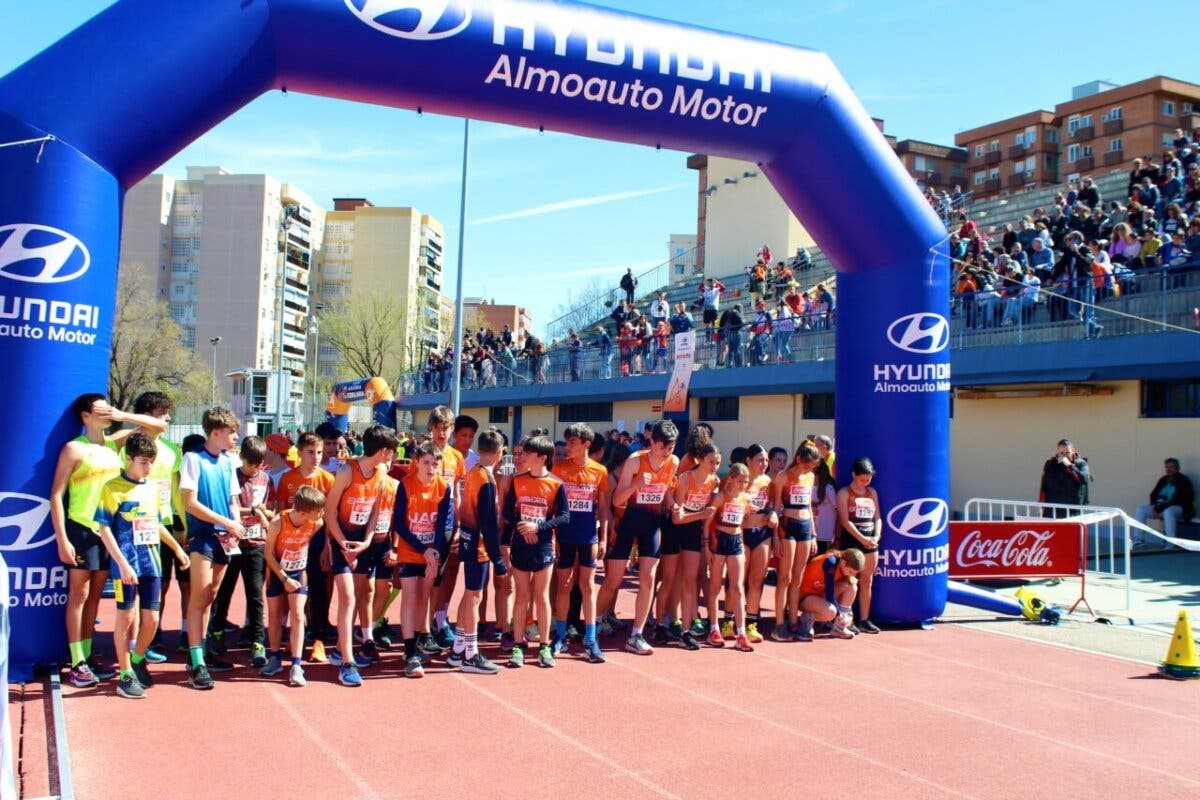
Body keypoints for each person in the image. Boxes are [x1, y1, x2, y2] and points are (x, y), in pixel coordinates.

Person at [52, 393, 166, 687]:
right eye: (98, 409)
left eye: (107, 407)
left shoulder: (115, 443)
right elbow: (55, 495)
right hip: (81, 529)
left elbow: (157, 427)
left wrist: (120, 414)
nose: (105, 413)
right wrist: (62, 539)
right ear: (85, 416)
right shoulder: (74, 449)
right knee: (79, 593)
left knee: (95, 596)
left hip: (110, 533)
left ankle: (87, 656)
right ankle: (76, 661)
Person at [94, 433, 189, 698]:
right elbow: (104, 529)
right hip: (126, 565)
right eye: (144, 462)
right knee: (127, 617)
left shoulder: (151, 488)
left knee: (152, 619)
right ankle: (125, 675)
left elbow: (155, 523)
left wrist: (178, 549)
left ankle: (137, 660)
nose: (148, 467)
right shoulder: (111, 488)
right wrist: (122, 564)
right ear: (129, 459)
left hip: (152, 565)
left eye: (151, 462)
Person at [323, 424, 399, 687]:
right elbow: (329, 512)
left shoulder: (382, 472)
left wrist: (366, 541)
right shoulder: (346, 472)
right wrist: (342, 543)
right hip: (340, 539)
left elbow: (376, 510)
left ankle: (339, 650)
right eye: (392, 450)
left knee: (361, 593)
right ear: (383, 451)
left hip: (362, 542)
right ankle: (347, 663)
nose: (394, 455)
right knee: (347, 597)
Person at [596, 420, 679, 655]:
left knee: (648, 579)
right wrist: (637, 483)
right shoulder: (635, 461)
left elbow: (667, 492)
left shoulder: (673, 462)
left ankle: (636, 634)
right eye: (663, 448)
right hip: (628, 522)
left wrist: (674, 506)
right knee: (613, 580)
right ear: (652, 442)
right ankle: (595, 622)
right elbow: (616, 500)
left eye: (671, 448)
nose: (667, 453)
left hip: (651, 524)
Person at [180, 407, 247, 690]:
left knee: (210, 597)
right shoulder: (193, 459)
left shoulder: (229, 463)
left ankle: (202, 651)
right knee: (199, 596)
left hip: (225, 539)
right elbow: (190, 503)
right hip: (202, 537)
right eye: (232, 432)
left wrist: (236, 525)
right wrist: (225, 523)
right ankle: (196, 661)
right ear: (216, 431)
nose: (236, 437)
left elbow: (233, 501)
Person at [208, 436, 275, 669]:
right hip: (232, 542)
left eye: (259, 464)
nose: (255, 468)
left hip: (256, 543)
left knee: (255, 594)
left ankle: (258, 641)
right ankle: (216, 634)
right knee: (223, 591)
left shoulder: (266, 480)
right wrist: (254, 510)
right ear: (242, 458)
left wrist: (265, 514)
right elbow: (229, 506)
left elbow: (270, 508)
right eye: (251, 464)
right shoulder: (231, 477)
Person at [503, 436, 569, 668]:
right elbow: (507, 513)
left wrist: (538, 527)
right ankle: (518, 647)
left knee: (541, 597)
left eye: (528, 453)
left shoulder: (556, 484)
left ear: (542, 458)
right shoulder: (516, 480)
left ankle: (544, 647)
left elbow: (563, 517)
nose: (523, 457)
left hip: (543, 546)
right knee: (522, 597)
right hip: (521, 543)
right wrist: (523, 526)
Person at [392, 441, 454, 679]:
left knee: (424, 598)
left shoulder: (443, 487)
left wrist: (434, 553)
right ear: (417, 463)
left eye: (435, 464)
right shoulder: (405, 486)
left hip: (431, 550)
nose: (430, 468)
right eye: (426, 463)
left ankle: (417, 643)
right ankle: (409, 653)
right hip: (410, 549)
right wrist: (422, 549)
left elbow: (440, 524)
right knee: (410, 596)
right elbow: (399, 524)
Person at [550, 424, 610, 663]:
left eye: (573, 442)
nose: (568, 446)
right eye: (567, 441)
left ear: (587, 443)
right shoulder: (558, 468)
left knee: (587, 586)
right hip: (565, 534)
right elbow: (553, 505)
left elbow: (603, 507)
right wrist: (554, 535)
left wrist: (604, 537)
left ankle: (591, 639)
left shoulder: (599, 471)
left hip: (588, 535)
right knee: (564, 585)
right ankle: (561, 635)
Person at [448, 429, 506, 674]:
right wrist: (499, 558)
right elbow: (489, 524)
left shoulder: (473, 473)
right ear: (500, 452)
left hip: (470, 540)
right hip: (479, 544)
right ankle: (470, 653)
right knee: (474, 596)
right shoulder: (486, 480)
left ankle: (459, 647)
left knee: (469, 594)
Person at [275, 432, 336, 661]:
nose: (316, 457)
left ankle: (318, 640)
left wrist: (327, 546)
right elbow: (279, 512)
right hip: (290, 542)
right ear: (299, 453)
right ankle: (293, 639)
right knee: (292, 590)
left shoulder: (327, 480)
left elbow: (330, 515)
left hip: (317, 540)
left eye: (319, 452)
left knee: (319, 591)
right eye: (311, 452)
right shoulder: (287, 479)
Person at [260, 484, 325, 687]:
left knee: (297, 615)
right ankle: (274, 657)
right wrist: (283, 578)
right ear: (305, 511)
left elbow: (304, 543)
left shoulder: (317, 523)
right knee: (274, 616)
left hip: (298, 572)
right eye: (318, 510)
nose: (322, 514)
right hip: (277, 572)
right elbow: (268, 554)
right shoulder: (278, 522)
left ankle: (296, 664)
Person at [668, 440, 719, 649]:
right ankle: (663, 622)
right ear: (700, 460)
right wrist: (700, 514)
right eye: (711, 462)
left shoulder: (714, 481)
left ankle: (686, 630)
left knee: (690, 580)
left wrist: (706, 538)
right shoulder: (685, 479)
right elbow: (677, 518)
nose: (714, 467)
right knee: (670, 578)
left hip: (693, 531)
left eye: (717, 463)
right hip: (675, 530)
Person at [771, 442, 820, 641]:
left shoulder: (810, 477)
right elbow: (775, 508)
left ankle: (793, 621)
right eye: (807, 465)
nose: (809, 469)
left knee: (798, 578)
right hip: (787, 526)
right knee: (785, 577)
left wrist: (814, 535)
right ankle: (779, 624)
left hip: (806, 527)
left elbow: (808, 505)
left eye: (813, 466)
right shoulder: (783, 477)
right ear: (799, 459)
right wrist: (775, 538)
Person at [428, 406, 466, 650]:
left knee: (448, 571)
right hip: (427, 521)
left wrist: (459, 522)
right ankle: (424, 624)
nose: (442, 433)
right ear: (431, 429)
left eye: (446, 428)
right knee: (428, 575)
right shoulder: (422, 454)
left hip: (450, 521)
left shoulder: (457, 457)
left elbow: (457, 492)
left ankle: (440, 618)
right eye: (438, 428)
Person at [705, 464, 754, 652]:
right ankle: (714, 629)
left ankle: (741, 634)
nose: (743, 485)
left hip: (736, 542)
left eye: (746, 482)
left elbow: (745, 519)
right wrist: (707, 546)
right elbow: (707, 521)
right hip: (719, 542)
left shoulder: (745, 499)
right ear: (731, 479)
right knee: (716, 587)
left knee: (737, 588)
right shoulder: (720, 497)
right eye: (740, 481)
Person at [836, 458, 881, 634]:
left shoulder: (872, 492)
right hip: (852, 540)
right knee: (849, 580)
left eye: (868, 479)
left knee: (867, 580)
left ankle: (865, 619)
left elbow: (877, 516)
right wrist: (861, 538)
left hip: (871, 540)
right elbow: (845, 521)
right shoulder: (844, 493)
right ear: (853, 474)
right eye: (862, 479)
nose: (865, 482)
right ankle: (847, 619)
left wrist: (876, 535)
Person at [740, 445, 778, 644]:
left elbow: (772, 506)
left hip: (762, 535)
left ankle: (751, 622)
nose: (764, 464)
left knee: (757, 579)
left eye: (765, 460)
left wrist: (772, 514)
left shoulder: (768, 481)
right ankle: (731, 620)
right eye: (759, 460)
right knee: (738, 580)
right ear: (748, 461)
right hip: (742, 534)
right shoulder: (741, 481)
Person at [796, 548, 865, 640]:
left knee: (852, 586)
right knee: (831, 612)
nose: (852, 574)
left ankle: (839, 628)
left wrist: (847, 615)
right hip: (805, 597)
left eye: (854, 573)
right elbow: (829, 593)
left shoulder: (842, 565)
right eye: (851, 572)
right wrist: (839, 615)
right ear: (843, 563)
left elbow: (831, 591)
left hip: (821, 595)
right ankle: (807, 618)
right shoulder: (830, 562)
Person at [1132, 459, 1194, 547]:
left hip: (1180, 508)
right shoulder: (1164, 479)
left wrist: (1160, 508)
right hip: (1160, 507)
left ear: (1178, 468)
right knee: (1140, 509)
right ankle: (1138, 540)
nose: (1168, 469)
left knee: (1168, 511)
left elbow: (1181, 499)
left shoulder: (1184, 480)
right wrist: (1154, 506)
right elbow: (1153, 494)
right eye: (1167, 467)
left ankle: (1171, 542)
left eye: (1171, 467)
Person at [1039, 439, 1091, 517]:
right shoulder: (1050, 464)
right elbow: (1044, 485)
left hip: (1072, 509)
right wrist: (1041, 505)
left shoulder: (1081, 463)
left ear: (1073, 451)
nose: (1064, 455)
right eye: (1061, 453)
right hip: (1052, 508)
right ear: (1057, 452)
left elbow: (1084, 479)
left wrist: (1070, 466)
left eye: (1067, 453)